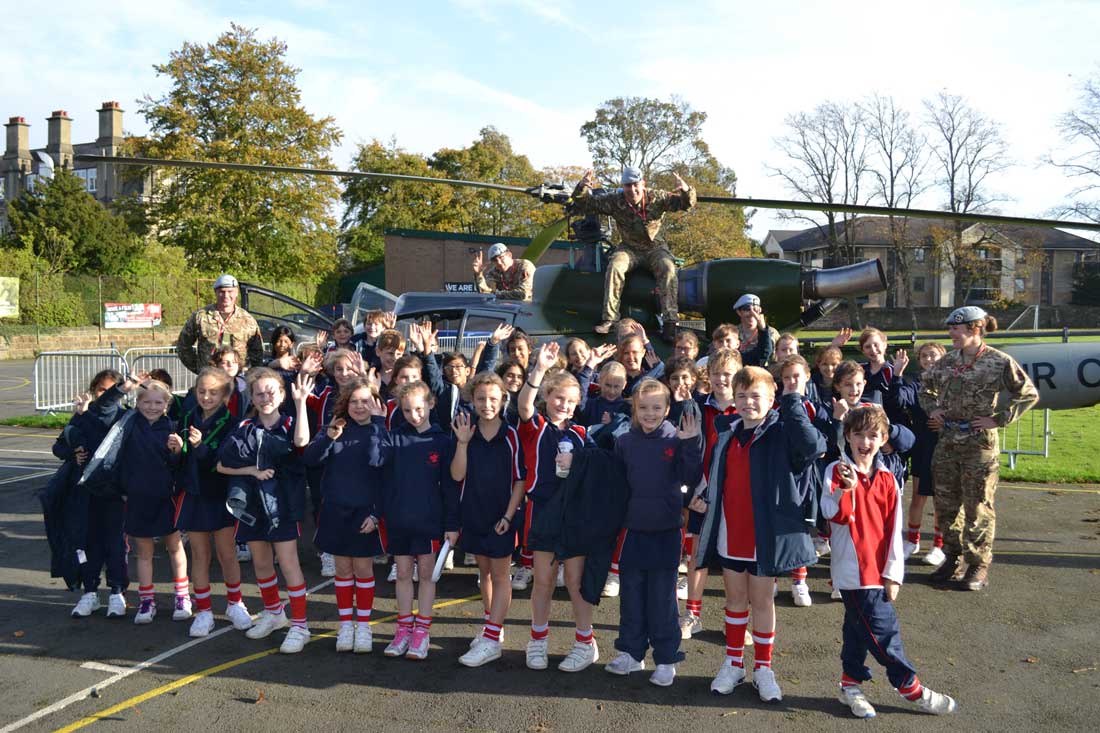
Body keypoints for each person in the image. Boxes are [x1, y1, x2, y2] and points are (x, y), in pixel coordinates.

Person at [693, 366, 825, 702]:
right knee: (735, 600)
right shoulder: (726, 431)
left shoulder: (782, 431)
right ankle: (734, 663)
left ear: (772, 400)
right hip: (730, 531)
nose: (748, 402)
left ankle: (763, 668)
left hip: (764, 534)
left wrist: (794, 398)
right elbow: (716, 475)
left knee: (763, 601)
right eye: (742, 396)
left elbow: (812, 446)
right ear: (733, 400)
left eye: (756, 396)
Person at [822, 406, 958, 718]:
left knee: (858, 629)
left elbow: (894, 529)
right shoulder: (835, 471)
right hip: (852, 570)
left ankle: (850, 685)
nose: (865, 441)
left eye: (873, 435)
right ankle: (911, 688)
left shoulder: (888, 479)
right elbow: (832, 514)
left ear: (884, 439)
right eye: (858, 434)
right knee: (883, 632)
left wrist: (894, 573)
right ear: (847, 437)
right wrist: (848, 490)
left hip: (878, 571)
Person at [919, 307, 1038, 591]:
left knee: (978, 506)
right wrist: (933, 409)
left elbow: (1027, 393)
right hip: (948, 442)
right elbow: (925, 389)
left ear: (975, 329)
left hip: (979, 444)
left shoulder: (999, 362)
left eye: (956, 329)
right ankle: (952, 558)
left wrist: (998, 419)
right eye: (950, 329)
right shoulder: (946, 362)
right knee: (946, 505)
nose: (951, 334)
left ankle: (978, 564)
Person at [605, 379, 702, 687]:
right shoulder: (625, 441)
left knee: (662, 600)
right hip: (634, 531)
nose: (649, 413)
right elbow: (618, 486)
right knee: (631, 597)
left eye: (656, 408)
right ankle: (633, 654)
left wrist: (690, 443)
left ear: (667, 409)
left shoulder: (676, 439)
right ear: (634, 407)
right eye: (643, 407)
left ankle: (666, 658)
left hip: (666, 531)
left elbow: (691, 477)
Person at [217, 368, 313, 653]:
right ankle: (274, 612)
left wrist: (301, 402)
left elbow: (301, 442)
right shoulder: (244, 427)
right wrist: (252, 470)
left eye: (271, 391)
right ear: (252, 396)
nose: (265, 397)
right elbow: (222, 464)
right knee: (261, 562)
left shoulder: (290, 422)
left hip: (283, 504)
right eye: (259, 392)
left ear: (282, 394)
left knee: (288, 563)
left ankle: (300, 625)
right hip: (254, 505)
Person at [365, 381, 459, 661]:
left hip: (429, 520)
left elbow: (451, 487)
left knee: (427, 576)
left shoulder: (442, 441)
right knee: (403, 574)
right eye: (407, 410)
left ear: (431, 404)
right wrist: (378, 424)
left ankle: (422, 632)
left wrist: (452, 524)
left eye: (419, 408)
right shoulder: (394, 436)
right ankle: (403, 628)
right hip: (399, 519)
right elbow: (375, 460)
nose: (414, 415)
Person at [517, 342, 595, 672]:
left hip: (573, 514)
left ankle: (585, 642)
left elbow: (595, 473)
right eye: (557, 398)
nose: (563, 405)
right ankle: (537, 640)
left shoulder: (581, 433)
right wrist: (538, 368)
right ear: (547, 397)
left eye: (570, 401)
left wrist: (579, 463)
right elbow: (523, 406)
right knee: (544, 581)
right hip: (542, 510)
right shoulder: (535, 426)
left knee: (576, 583)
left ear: (578, 404)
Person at [303, 377, 385, 654]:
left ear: (375, 403)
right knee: (342, 570)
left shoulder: (379, 429)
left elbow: (379, 463)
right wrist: (329, 437)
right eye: (354, 401)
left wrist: (376, 516)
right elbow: (310, 459)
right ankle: (345, 625)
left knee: (363, 570)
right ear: (345, 404)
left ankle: (364, 625)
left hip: (364, 514)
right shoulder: (335, 428)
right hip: (336, 511)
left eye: (366, 401)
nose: (359, 406)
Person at [450, 373, 527, 667]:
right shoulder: (465, 431)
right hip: (474, 514)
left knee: (500, 574)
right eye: (481, 398)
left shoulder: (511, 435)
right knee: (484, 574)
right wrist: (462, 443)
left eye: (493, 398)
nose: (487, 404)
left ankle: (492, 639)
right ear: (472, 399)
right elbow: (457, 475)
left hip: (501, 518)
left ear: (503, 400)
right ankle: (492, 627)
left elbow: (520, 480)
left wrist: (508, 515)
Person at [570, 166, 696, 339]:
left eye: (635, 185)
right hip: (629, 248)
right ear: (623, 186)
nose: (632, 189)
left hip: (654, 248)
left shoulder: (656, 197)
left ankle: (670, 322)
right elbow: (585, 203)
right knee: (615, 266)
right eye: (628, 185)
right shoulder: (615, 200)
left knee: (668, 268)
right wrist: (582, 186)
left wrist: (686, 190)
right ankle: (610, 320)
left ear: (643, 184)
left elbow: (686, 204)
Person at [173, 367, 253, 637]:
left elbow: (222, 462)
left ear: (225, 394)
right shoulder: (186, 419)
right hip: (195, 495)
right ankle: (204, 610)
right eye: (201, 391)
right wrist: (175, 450)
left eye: (213, 392)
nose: (206, 396)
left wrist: (200, 447)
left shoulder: (232, 424)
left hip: (220, 495)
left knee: (227, 553)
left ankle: (235, 603)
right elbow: (180, 462)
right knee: (200, 554)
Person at [61, 369, 130, 619]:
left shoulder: (125, 418)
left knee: (115, 544)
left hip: (113, 493)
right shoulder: (82, 417)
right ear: (94, 391)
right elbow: (60, 444)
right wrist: (72, 453)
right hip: (85, 492)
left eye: (110, 390)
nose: (105, 395)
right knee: (87, 543)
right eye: (101, 389)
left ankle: (117, 591)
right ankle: (90, 592)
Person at [124, 380, 188, 625]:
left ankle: (182, 596)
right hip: (138, 498)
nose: (152, 406)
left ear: (167, 404)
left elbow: (178, 468)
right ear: (137, 402)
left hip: (165, 498)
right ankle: (146, 600)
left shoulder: (172, 428)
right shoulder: (128, 426)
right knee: (144, 552)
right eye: (146, 401)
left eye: (158, 402)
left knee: (174, 546)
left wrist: (177, 452)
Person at [885, 343, 948, 566]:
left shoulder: (952, 380)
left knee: (941, 498)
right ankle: (913, 541)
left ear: (943, 356)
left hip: (945, 445)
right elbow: (898, 400)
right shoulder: (914, 382)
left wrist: (945, 421)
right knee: (918, 497)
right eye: (924, 356)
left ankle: (939, 545)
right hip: (922, 445)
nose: (929, 359)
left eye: (933, 355)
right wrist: (897, 375)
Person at [177, 274, 264, 374]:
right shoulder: (201, 317)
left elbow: (257, 352)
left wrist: (248, 373)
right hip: (210, 378)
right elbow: (183, 346)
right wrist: (200, 368)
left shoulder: (248, 320)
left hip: (238, 380)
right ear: (215, 292)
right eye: (222, 292)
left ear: (236, 293)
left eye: (230, 291)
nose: (226, 296)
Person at [733, 294, 779, 367]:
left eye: (756, 309)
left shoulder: (772, 333)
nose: (752, 313)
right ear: (739, 312)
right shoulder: (732, 333)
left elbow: (776, 357)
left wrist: (763, 329)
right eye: (747, 309)